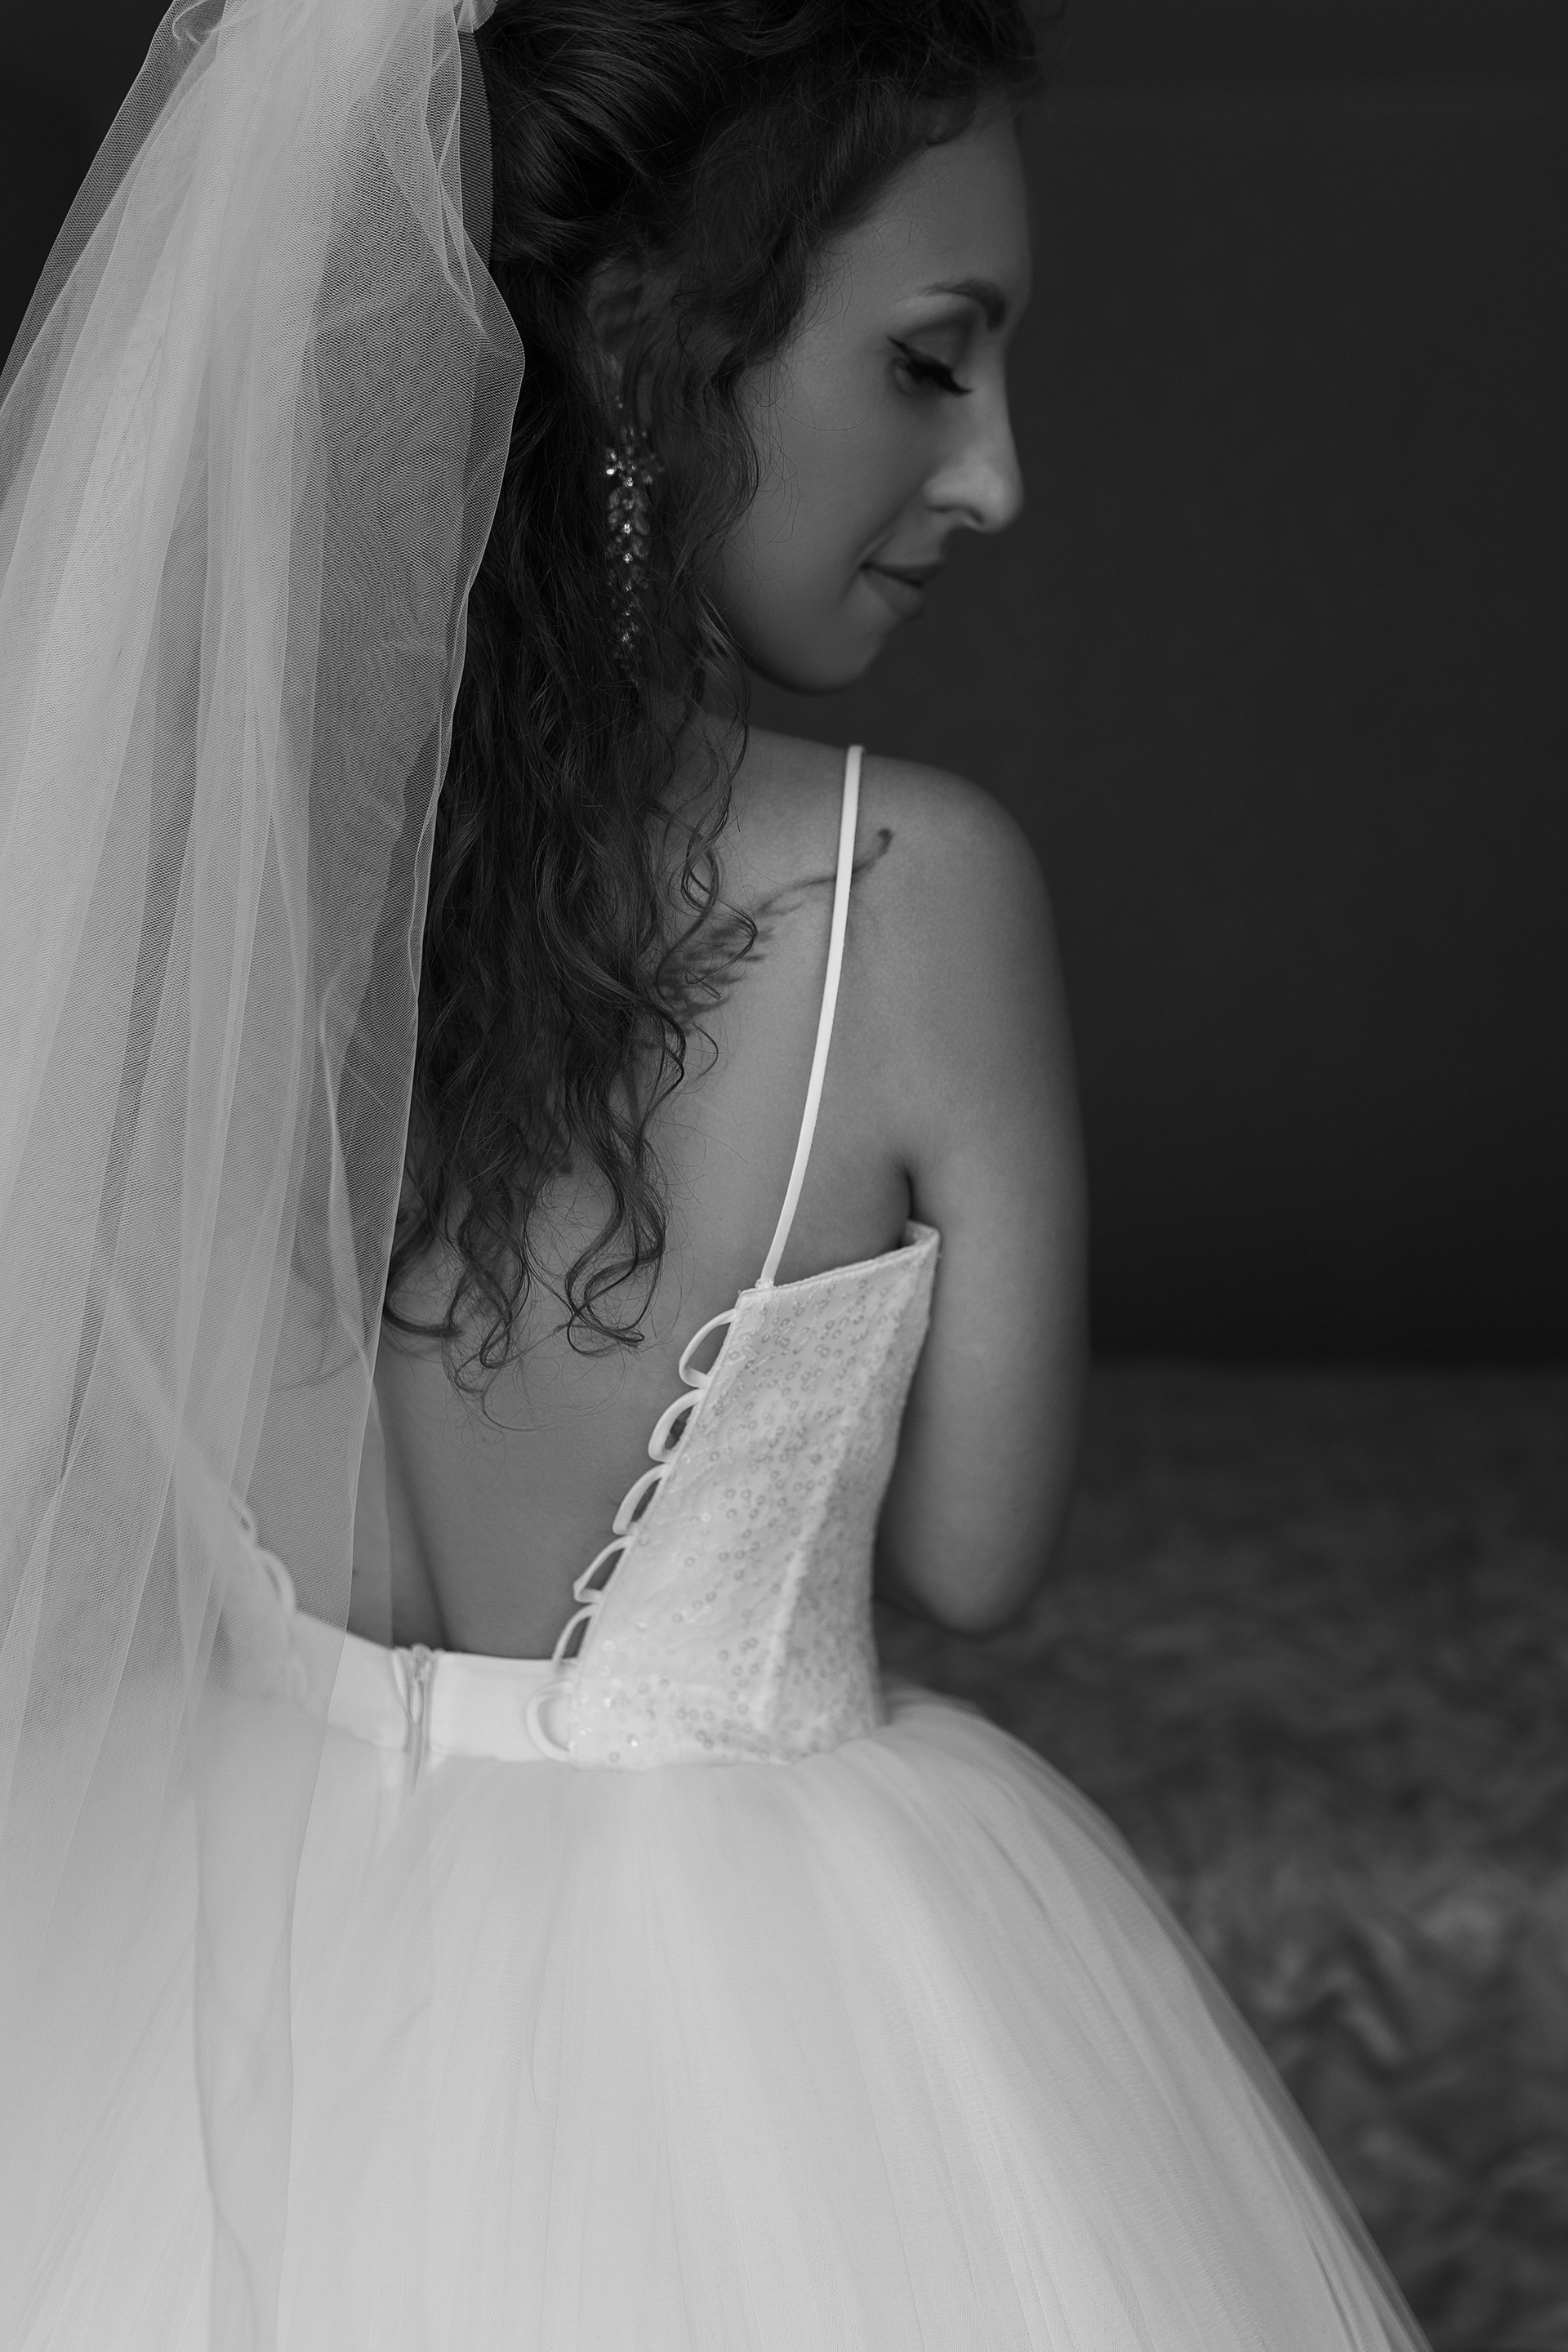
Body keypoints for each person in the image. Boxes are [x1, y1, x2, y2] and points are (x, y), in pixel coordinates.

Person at [0, 1, 1433, 2346]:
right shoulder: (912, 892)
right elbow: (977, 1550)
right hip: (756, 2028)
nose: (994, 477)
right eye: (930, 362)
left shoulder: (189, 874)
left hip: (203, 1970)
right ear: (650, 350)